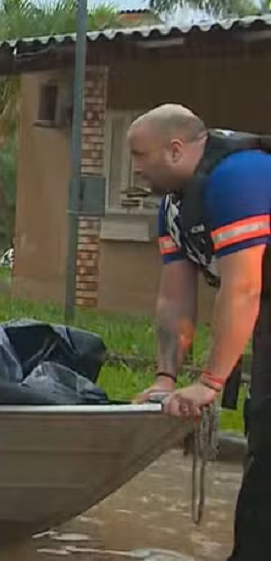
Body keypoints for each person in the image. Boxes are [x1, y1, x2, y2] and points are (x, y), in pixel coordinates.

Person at [127, 103, 271, 561]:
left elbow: (244, 287)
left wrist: (209, 383)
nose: (133, 167)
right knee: (263, 430)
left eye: (138, 155)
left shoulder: (238, 178)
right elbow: (174, 298)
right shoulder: (173, 206)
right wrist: (166, 380)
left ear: (174, 150)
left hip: (259, 297)